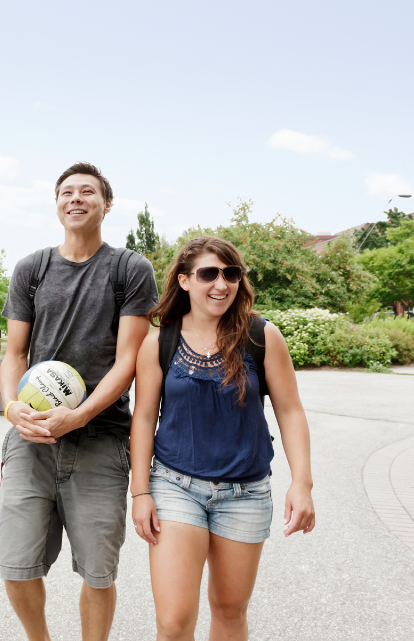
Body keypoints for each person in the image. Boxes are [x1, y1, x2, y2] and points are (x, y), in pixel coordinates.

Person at [0, 162, 159, 641]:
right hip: (31, 440)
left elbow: (128, 360)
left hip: (101, 441)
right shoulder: (32, 268)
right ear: (57, 204)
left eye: (87, 192)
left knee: (97, 572)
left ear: (106, 204)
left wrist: (81, 414)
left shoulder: (129, 269)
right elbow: (12, 355)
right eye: (66, 192)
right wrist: (11, 408)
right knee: (16, 564)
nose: (75, 199)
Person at [130, 235, 316, 641]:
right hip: (175, 487)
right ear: (184, 281)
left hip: (246, 494)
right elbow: (143, 418)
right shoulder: (159, 342)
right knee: (174, 622)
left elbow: (290, 410)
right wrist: (140, 492)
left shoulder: (262, 336)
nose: (221, 284)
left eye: (231, 274)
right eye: (208, 273)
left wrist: (302, 482)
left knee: (230, 611)